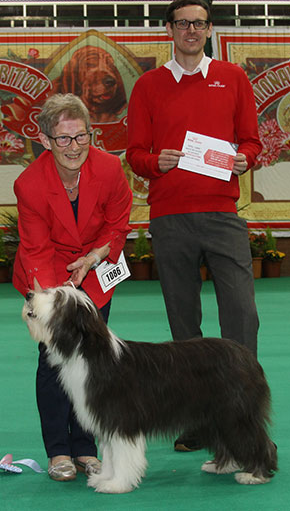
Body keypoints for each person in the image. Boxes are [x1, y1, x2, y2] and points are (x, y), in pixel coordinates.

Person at [126, 0, 262, 452]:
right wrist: (154, 162)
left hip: (223, 214)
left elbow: (252, 141)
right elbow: (135, 153)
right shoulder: (148, 85)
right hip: (170, 218)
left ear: (209, 30)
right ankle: (200, 419)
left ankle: (241, 418)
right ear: (168, 29)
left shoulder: (233, 78)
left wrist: (246, 159)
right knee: (184, 328)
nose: (191, 31)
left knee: (242, 318)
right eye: (183, 24)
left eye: (199, 24)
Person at [13, 93, 132, 481]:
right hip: (47, 278)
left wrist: (95, 258)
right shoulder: (29, 185)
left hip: (95, 272)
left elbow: (118, 225)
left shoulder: (112, 169)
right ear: (46, 140)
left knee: (93, 362)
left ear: (90, 136)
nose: (73, 147)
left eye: (81, 137)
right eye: (63, 139)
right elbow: (36, 247)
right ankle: (58, 451)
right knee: (53, 361)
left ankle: (85, 448)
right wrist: (59, 301)